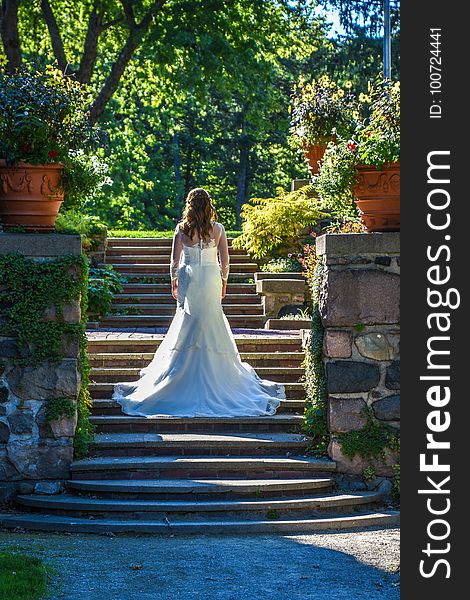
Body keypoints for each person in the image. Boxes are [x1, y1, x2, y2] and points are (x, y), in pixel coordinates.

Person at [113, 187, 286, 417]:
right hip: (211, 278)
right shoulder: (218, 229)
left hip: (190, 278)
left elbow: (174, 261)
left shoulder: (182, 229)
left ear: (190, 206)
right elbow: (225, 260)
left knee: (188, 320)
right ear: (208, 205)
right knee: (211, 319)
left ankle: (180, 375)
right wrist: (223, 281)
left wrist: (174, 281)